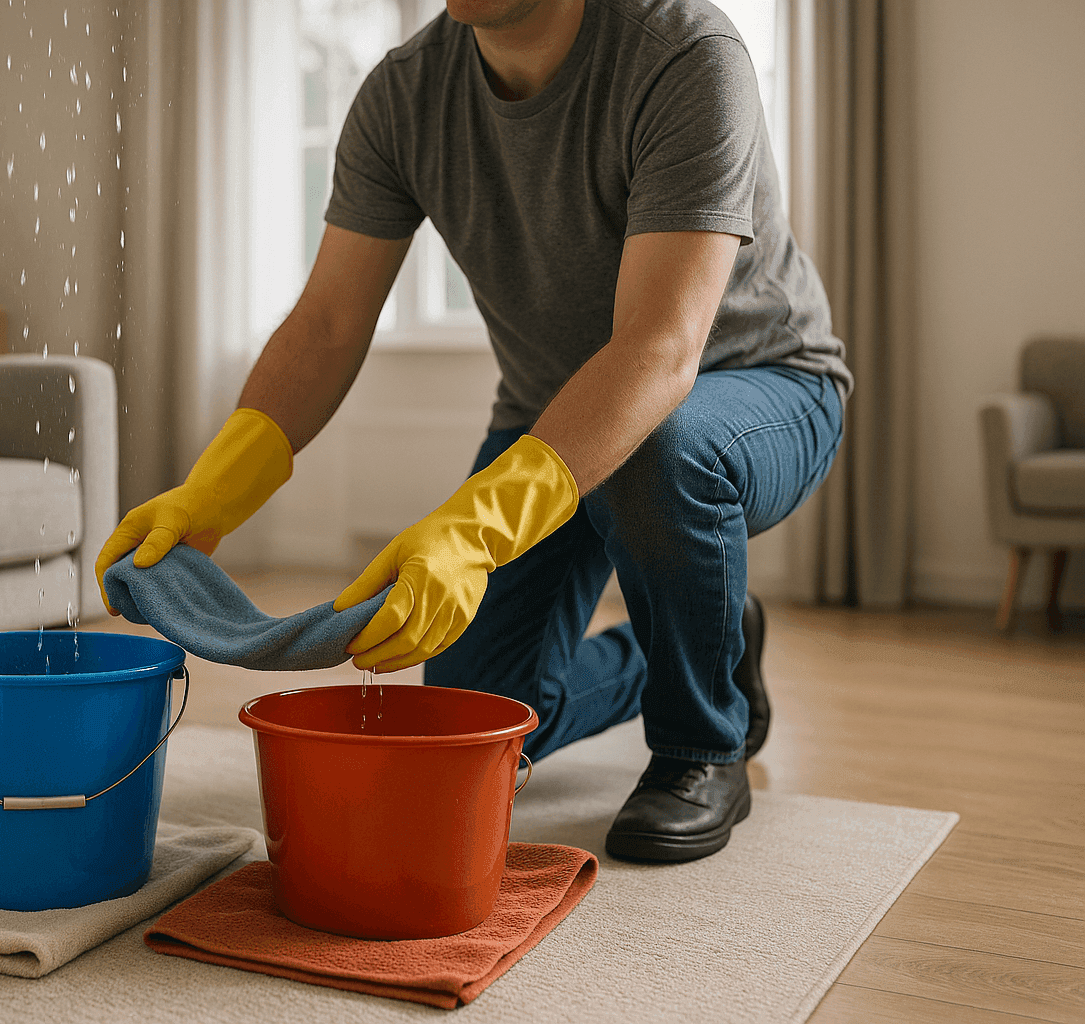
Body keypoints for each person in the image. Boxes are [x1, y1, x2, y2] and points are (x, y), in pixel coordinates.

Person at [97, 0, 850, 863]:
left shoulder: (684, 52)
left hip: (760, 389)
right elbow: (328, 324)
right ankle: (708, 639)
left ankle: (700, 748)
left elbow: (659, 349)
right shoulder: (403, 96)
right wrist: (212, 491)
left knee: (657, 446)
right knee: (480, 721)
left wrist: (471, 530)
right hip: (553, 415)